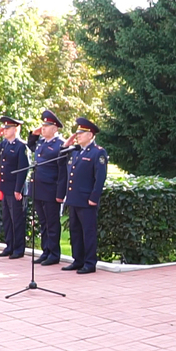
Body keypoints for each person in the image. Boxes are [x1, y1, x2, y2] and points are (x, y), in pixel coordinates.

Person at [61, 117, 108, 274]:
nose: (77, 135)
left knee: (88, 232)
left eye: (81, 133)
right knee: (75, 231)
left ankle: (89, 263)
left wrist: (94, 198)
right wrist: (67, 143)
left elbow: (100, 178)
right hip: (74, 199)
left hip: (87, 200)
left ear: (90, 135)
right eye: (77, 133)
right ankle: (78, 260)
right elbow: (61, 157)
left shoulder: (98, 152)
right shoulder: (75, 151)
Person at [27, 110, 68, 266]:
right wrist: (34, 133)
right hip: (38, 188)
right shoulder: (41, 143)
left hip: (51, 189)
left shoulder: (61, 145)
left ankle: (54, 253)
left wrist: (60, 193)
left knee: (52, 223)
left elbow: (63, 171)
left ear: (55, 128)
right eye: (43, 125)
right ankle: (45, 251)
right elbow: (30, 144)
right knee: (43, 222)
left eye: (47, 126)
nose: (43, 128)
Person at [0, 116, 29, 259]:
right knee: (7, 219)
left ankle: (18, 249)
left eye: (8, 128)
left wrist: (18, 189)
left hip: (15, 188)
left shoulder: (21, 146)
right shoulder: (5, 144)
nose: (4, 130)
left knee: (17, 220)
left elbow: (23, 169)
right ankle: (9, 246)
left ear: (16, 129)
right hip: (5, 187)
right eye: (4, 128)